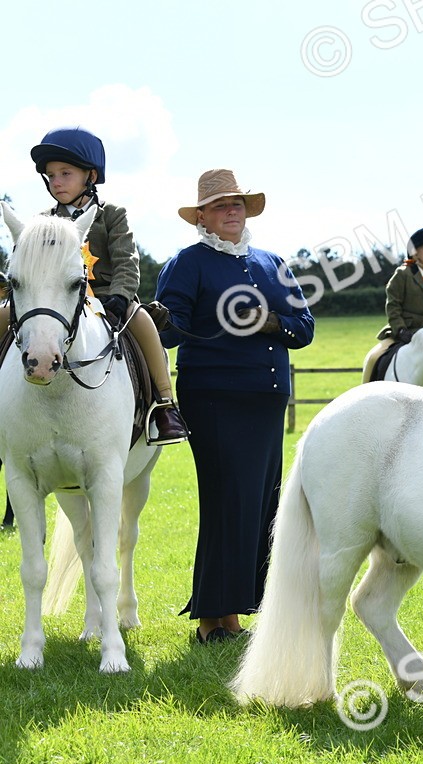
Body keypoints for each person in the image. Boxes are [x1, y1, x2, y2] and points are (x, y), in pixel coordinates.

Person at [147, 168, 314, 644]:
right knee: (226, 502)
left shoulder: (271, 261)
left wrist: (268, 323)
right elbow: (172, 332)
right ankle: (210, 621)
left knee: (261, 506)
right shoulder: (188, 262)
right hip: (215, 398)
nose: (232, 211)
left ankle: (236, 614)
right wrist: (159, 321)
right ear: (202, 217)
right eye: (222, 206)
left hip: (266, 400)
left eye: (237, 203)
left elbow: (303, 328)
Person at [0, 127, 188, 444]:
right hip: (55, 302)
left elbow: (127, 260)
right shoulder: (40, 221)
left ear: (90, 175)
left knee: (141, 319)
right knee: (2, 317)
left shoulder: (112, 215)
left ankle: (164, 405)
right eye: (50, 175)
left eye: (64, 173)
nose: (56, 181)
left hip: (105, 300)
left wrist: (120, 295)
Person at [361, 227, 423, 382]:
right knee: (374, 357)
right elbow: (393, 306)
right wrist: (401, 330)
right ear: (415, 253)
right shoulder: (403, 274)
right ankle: (365, 390)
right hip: (401, 333)